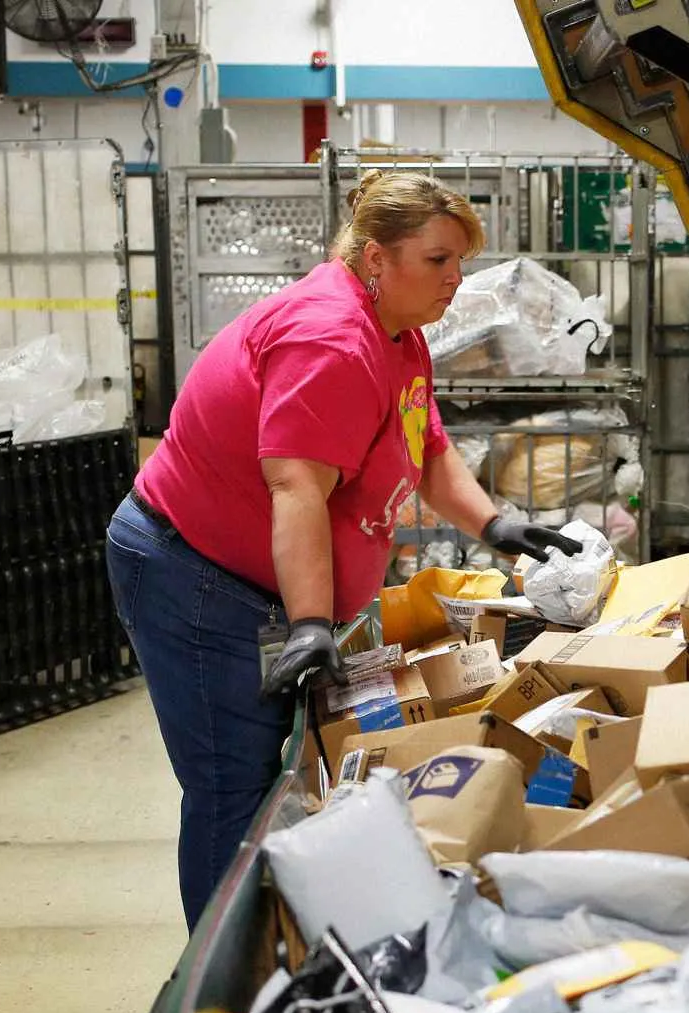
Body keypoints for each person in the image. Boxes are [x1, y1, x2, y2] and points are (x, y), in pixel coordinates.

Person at [108, 171, 580, 929]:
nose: (457, 278)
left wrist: (493, 524)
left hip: (256, 585)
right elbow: (295, 488)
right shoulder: (332, 340)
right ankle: (219, 995)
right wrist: (309, 622)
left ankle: (272, 947)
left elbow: (424, 450)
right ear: (373, 259)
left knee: (274, 775)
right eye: (438, 259)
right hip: (193, 574)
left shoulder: (400, 335)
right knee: (234, 783)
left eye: (461, 260)